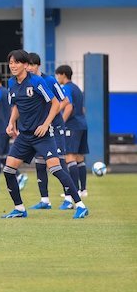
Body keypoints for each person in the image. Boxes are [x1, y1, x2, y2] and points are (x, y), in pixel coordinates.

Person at [2, 50, 87, 219]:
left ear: (25, 65)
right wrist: (11, 123)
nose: (13, 65)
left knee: (56, 169)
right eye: (11, 62)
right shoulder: (11, 83)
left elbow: (56, 104)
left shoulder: (37, 82)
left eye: (16, 62)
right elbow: (16, 106)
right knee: (8, 170)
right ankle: (19, 208)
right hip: (24, 135)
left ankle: (80, 205)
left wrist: (46, 124)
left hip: (43, 135)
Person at [27, 53, 70, 210]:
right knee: (39, 164)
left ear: (38, 65)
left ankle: (69, 198)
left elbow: (64, 100)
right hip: (40, 129)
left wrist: (51, 116)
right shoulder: (28, 83)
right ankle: (45, 200)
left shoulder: (50, 80)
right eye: (27, 65)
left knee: (59, 162)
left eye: (31, 65)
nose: (29, 68)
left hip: (55, 127)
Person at [56, 64, 89, 202]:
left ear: (63, 74)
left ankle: (73, 190)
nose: (57, 77)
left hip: (72, 126)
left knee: (69, 157)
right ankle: (83, 189)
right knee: (79, 158)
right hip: (82, 124)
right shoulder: (77, 88)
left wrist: (61, 123)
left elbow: (68, 106)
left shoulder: (66, 88)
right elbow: (82, 108)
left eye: (58, 75)